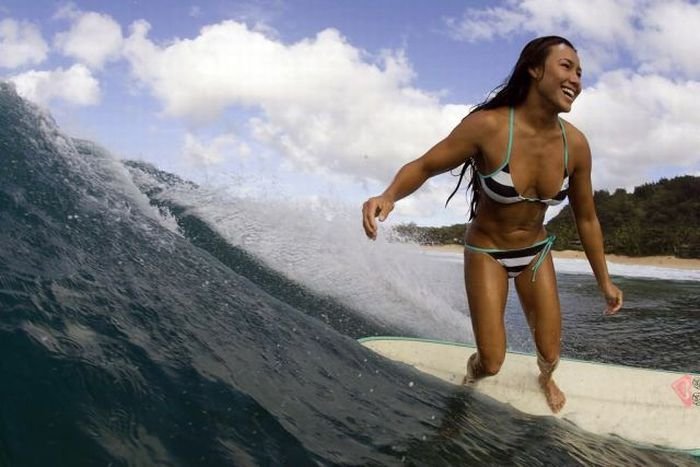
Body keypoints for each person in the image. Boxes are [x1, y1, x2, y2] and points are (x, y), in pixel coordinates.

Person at [361, 36, 623, 413]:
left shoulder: (576, 145)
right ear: (535, 70)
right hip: (488, 251)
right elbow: (424, 166)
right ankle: (472, 374)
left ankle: (545, 378)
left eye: (580, 72)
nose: (576, 80)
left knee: (550, 353)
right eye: (566, 67)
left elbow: (586, 217)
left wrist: (604, 281)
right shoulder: (487, 127)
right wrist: (388, 196)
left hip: (535, 252)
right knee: (492, 362)